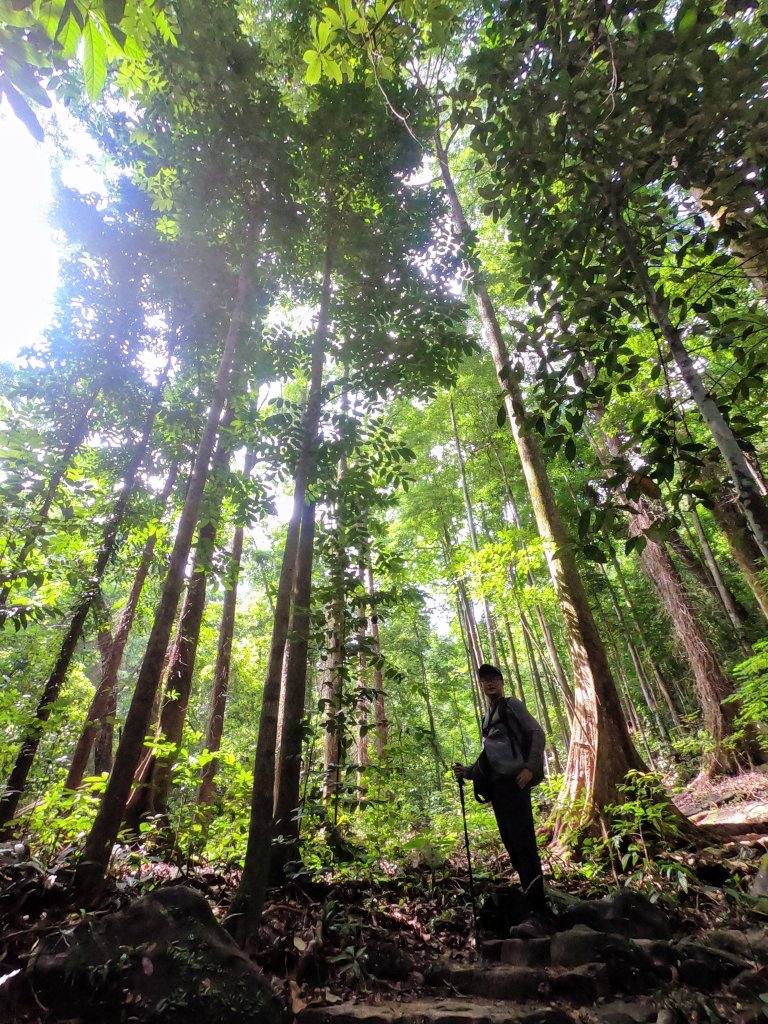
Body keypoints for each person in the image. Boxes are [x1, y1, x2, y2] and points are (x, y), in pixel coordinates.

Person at [453, 663, 552, 938]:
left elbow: (537, 733)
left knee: (525, 845)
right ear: (481, 685)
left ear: (502, 682)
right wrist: (469, 772)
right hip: (499, 791)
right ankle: (532, 906)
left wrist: (530, 768)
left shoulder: (511, 706)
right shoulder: (488, 718)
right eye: (485, 680)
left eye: (494, 678)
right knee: (513, 847)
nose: (490, 683)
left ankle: (540, 913)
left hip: (515, 785)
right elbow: (491, 759)